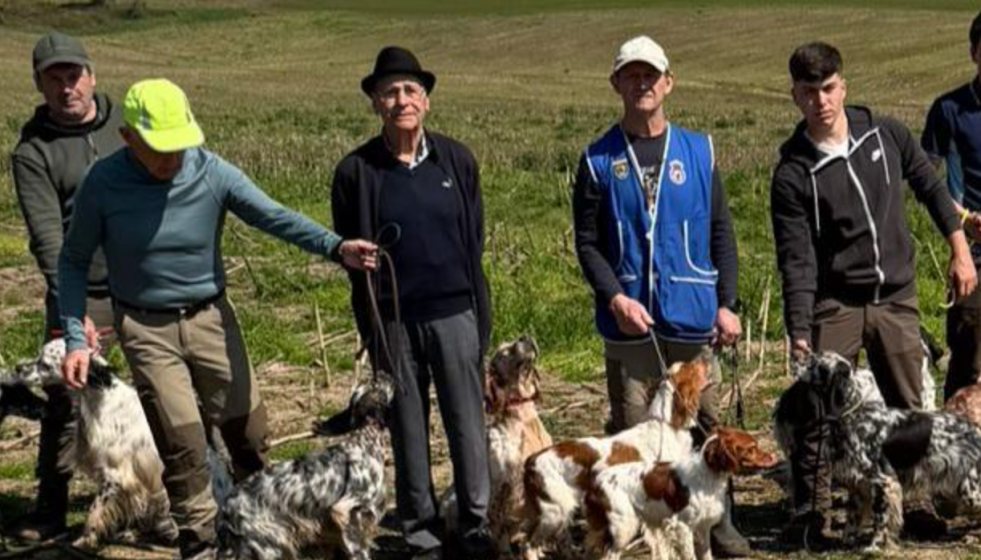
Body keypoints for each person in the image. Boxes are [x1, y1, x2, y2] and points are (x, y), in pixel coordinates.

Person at [58, 78, 377, 560]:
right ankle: (202, 540)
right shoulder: (103, 183)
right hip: (146, 326)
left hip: (210, 317)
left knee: (247, 430)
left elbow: (274, 215)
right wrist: (74, 335)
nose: (174, 159)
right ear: (129, 139)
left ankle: (270, 517)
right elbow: (73, 259)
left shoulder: (210, 172)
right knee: (182, 437)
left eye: (182, 145)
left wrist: (336, 247)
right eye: (161, 149)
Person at [771, 41, 977, 548]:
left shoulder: (885, 134)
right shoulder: (792, 173)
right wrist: (800, 331)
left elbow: (931, 187)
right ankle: (813, 516)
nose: (821, 100)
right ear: (795, 96)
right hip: (834, 301)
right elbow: (795, 259)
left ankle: (914, 506)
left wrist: (960, 249)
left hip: (895, 295)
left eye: (829, 88)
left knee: (908, 405)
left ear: (843, 85)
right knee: (819, 413)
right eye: (809, 91)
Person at [571, 35, 746, 557]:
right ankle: (646, 528)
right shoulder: (598, 159)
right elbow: (587, 242)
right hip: (630, 323)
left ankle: (717, 523)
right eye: (631, 75)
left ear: (668, 83)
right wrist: (613, 298)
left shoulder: (698, 149)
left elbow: (721, 231)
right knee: (636, 432)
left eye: (651, 74)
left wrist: (728, 301)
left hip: (693, 316)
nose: (642, 83)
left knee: (708, 427)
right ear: (616, 84)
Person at [330, 46, 494, 560]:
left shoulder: (457, 159)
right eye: (390, 92)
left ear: (425, 100)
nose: (402, 100)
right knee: (406, 425)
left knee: (467, 422)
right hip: (393, 320)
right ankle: (420, 530)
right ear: (376, 103)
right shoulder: (355, 171)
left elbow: (475, 238)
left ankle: (473, 524)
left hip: (455, 312)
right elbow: (347, 248)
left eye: (410, 90)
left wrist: (476, 310)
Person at [9, 31, 124, 542]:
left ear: (92, 76)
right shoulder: (33, 152)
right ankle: (51, 511)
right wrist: (74, 313)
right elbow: (47, 237)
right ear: (38, 84)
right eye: (53, 79)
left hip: (143, 284)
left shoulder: (126, 124)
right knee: (67, 399)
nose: (66, 88)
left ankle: (171, 495)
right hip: (82, 289)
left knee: (164, 389)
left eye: (73, 75)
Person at [922, 10, 981, 402]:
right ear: (975, 53)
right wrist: (962, 219)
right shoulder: (950, 110)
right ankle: (957, 450)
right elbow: (925, 178)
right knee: (968, 352)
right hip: (972, 250)